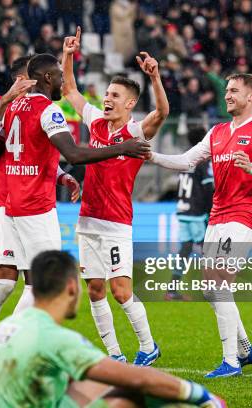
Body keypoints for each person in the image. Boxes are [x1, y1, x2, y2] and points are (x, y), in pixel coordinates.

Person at [0, 51, 150, 351]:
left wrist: (58, 175)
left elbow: (7, 152)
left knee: (23, 283)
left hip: (12, 200)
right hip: (32, 203)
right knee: (35, 281)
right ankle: (3, 345)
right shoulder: (44, 109)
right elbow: (74, 154)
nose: (62, 81)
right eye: (58, 75)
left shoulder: (11, 106)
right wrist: (125, 148)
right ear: (44, 78)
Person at [147, 73, 252, 378]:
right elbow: (186, 161)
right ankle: (246, 349)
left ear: (251, 96)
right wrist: (152, 156)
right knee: (211, 290)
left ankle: (231, 362)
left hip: (243, 216)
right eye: (226, 90)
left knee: (218, 282)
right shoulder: (218, 132)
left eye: (234, 91)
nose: (227, 95)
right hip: (217, 217)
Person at [0, 250, 226, 408]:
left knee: (107, 392)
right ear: (71, 287)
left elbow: (84, 383)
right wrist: (200, 395)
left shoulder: (13, 323)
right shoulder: (53, 337)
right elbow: (137, 378)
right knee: (128, 400)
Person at [61, 27, 168, 366]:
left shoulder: (135, 132)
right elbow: (70, 90)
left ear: (130, 104)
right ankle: (115, 356)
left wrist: (155, 77)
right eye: (107, 93)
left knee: (121, 291)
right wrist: (68, 55)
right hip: (87, 220)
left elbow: (162, 113)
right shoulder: (93, 121)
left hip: (117, 223)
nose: (107, 99)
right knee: (95, 290)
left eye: (115, 96)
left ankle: (148, 346)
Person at [0, 56, 81, 363]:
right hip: (3, 200)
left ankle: (8, 345)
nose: (27, 86)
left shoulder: (35, 109)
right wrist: (6, 100)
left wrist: (61, 175)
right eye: (23, 80)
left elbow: (31, 151)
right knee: (4, 282)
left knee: (34, 281)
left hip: (27, 196)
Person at [165, 127, 213, 301]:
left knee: (185, 250)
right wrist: (211, 211)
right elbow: (208, 189)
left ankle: (172, 289)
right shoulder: (202, 162)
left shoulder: (186, 160)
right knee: (207, 249)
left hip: (183, 210)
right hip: (196, 213)